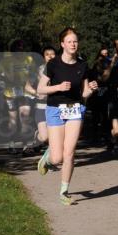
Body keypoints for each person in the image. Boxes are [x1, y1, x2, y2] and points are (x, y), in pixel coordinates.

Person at [36, 28, 99, 205]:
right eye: (70, 41)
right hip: (55, 109)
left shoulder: (82, 65)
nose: (73, 44)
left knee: (70, 152)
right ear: (62, 44)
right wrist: (57, 87)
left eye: (75, 41)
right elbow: (41, 89)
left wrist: (91, 89)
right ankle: (48, 158)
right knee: (58, 158)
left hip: (75, 110)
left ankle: (64, 191)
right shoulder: (53, 64)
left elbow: (84, 93)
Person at [0, 40, 36, 152]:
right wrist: (4, 80)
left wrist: (30, 82)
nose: (20, 52)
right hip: (10, 93)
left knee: (25, 118)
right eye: (17, 50)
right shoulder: (5, 61)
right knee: (13, 120)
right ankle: (11, 143)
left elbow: (33, 74)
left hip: (25, 92)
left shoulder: (29, 59)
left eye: (21, 49)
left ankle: (26, 144)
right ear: (13, 51)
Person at [25, 46, 56, 153]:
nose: (50, 56)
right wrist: (36, 93)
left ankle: (52, 159)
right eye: (47, 54)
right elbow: (27, 86)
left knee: (54, 137)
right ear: (44, 57)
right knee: (44, 137)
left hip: (55, 107)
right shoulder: (38, 70)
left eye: (52, 54)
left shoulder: (60, 70)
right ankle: (36, 140)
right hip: (41, 107)